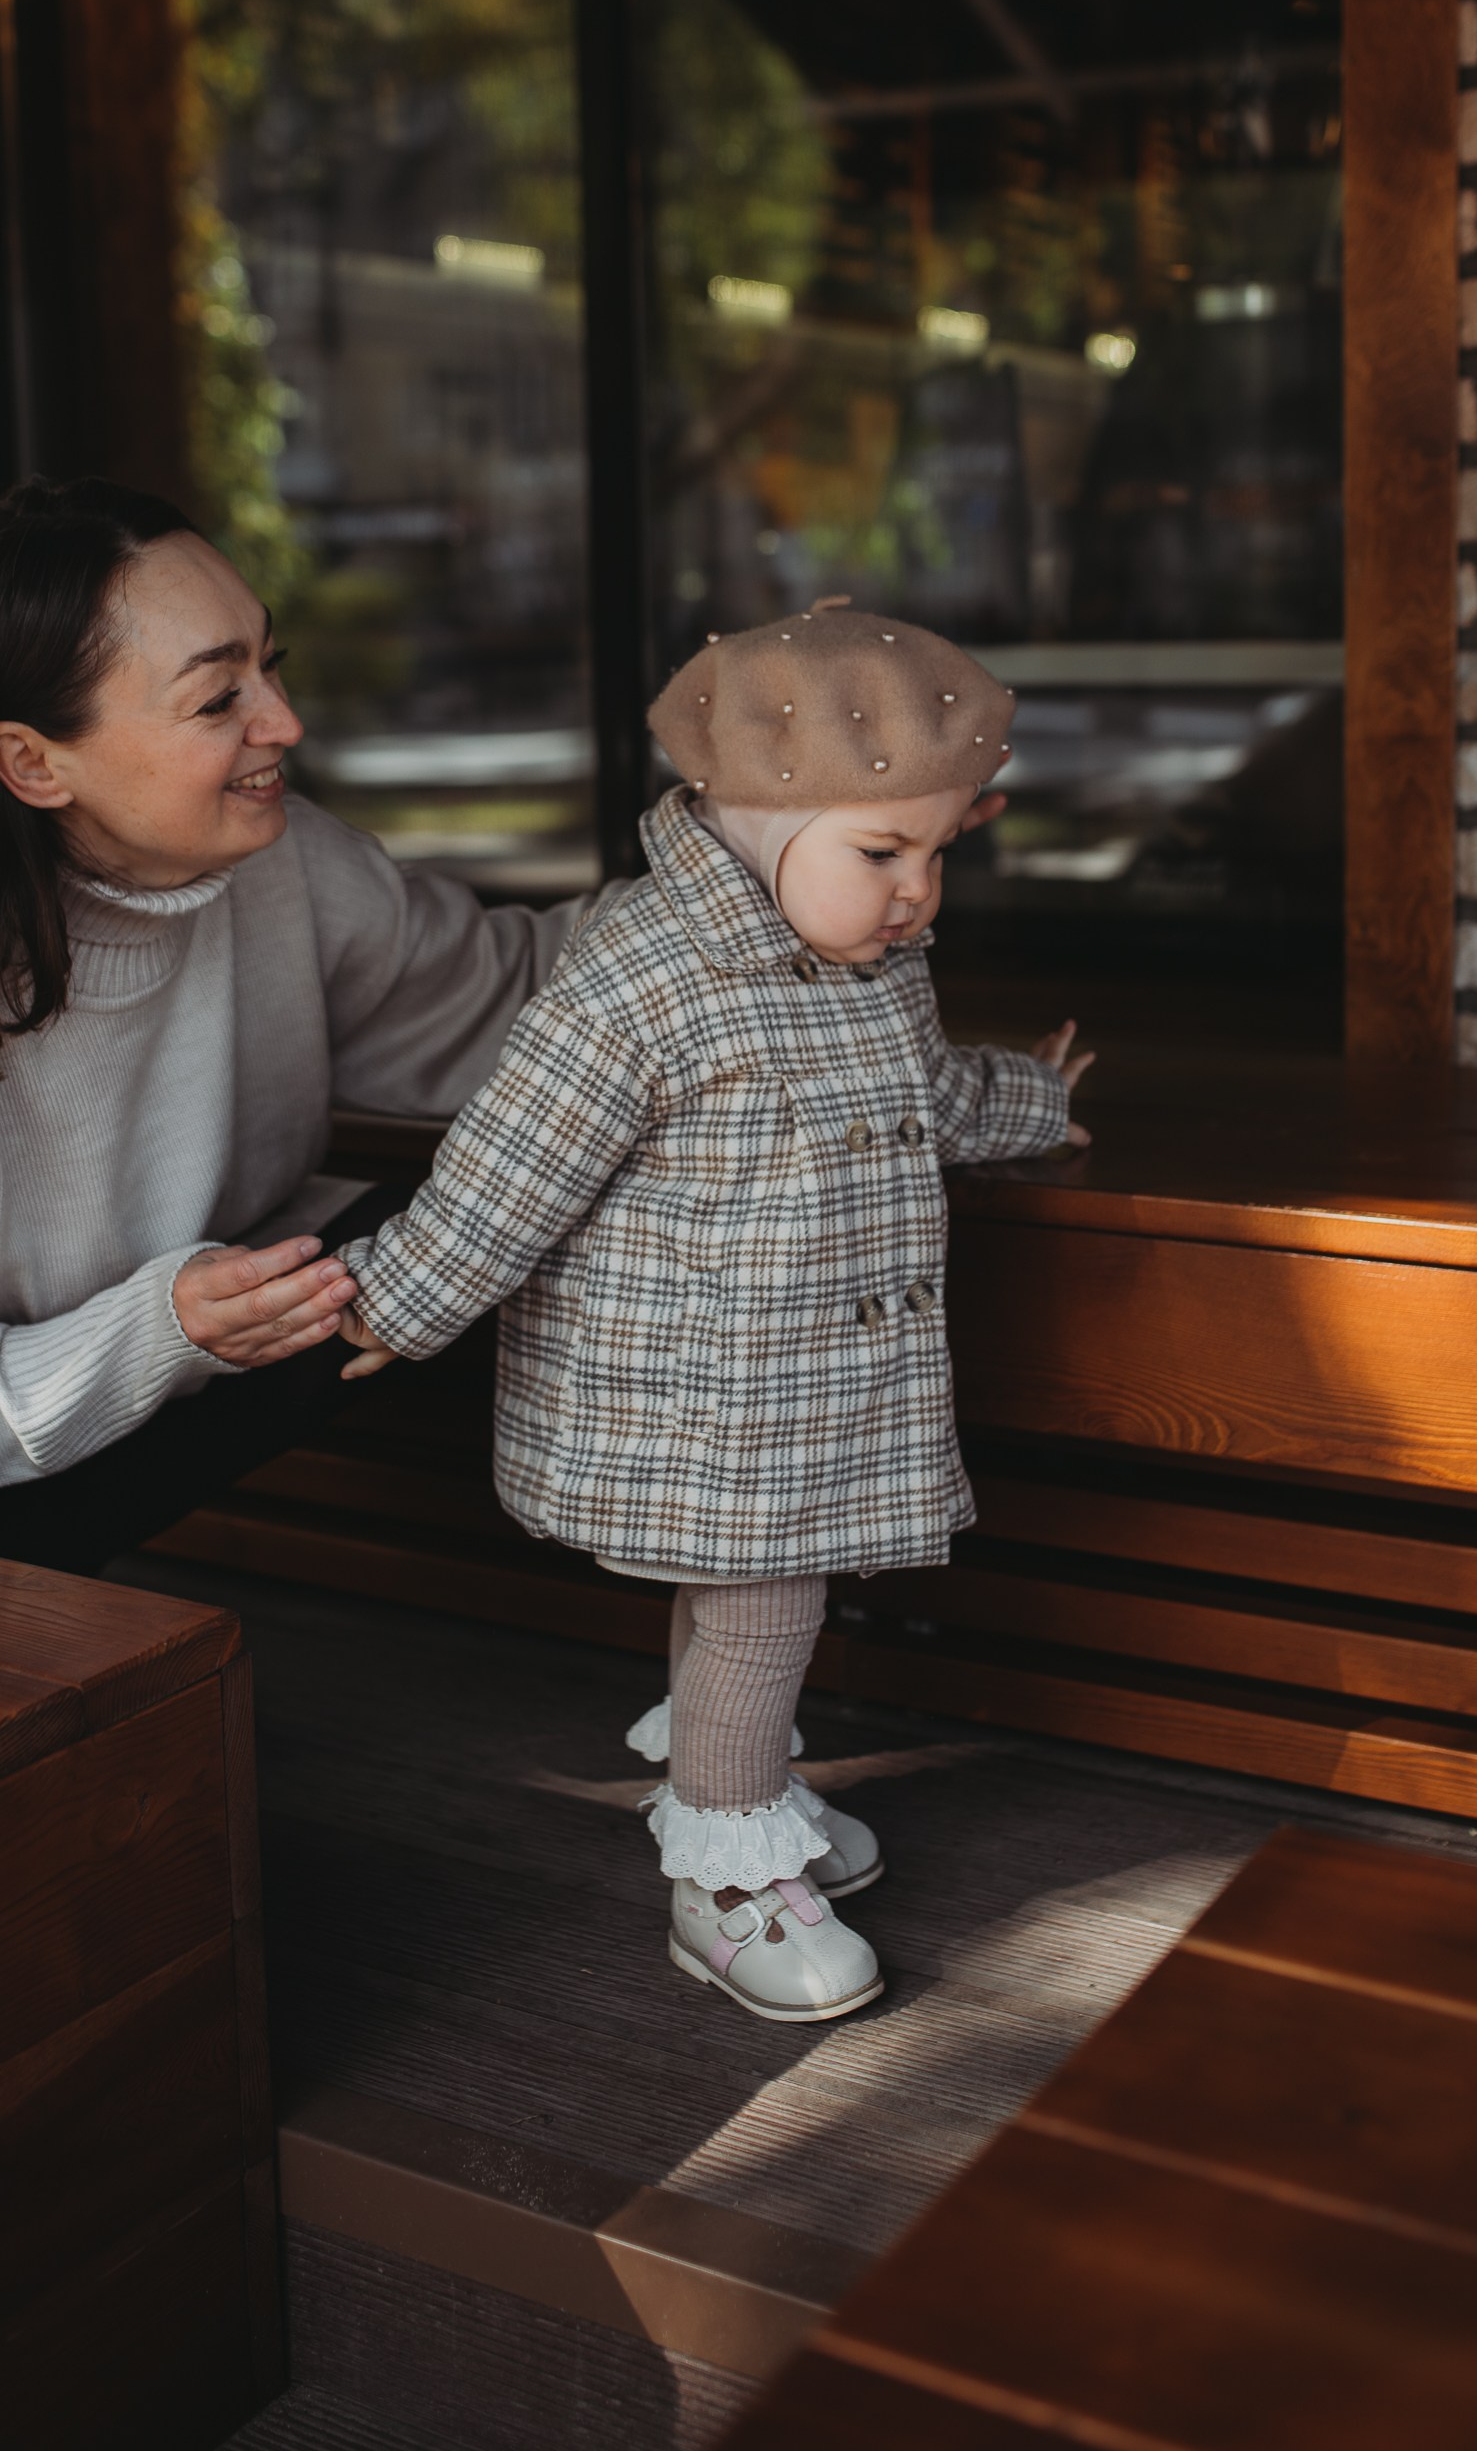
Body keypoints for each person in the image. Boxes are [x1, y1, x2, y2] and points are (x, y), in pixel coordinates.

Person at [332, 600, 1089, 2022]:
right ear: (753, 813)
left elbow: (922, 1099)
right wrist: (398, 1300)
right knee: (761, 1610)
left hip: (805, 1371)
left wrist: (1032, 1100)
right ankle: (725, 1880)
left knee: (746, 1600)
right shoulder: (643, 977)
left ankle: (738, 1798)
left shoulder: (869, 964)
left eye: (937, 854)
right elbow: (512, 1163)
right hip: (701, 1387)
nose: (917, 894)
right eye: (882, 853)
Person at [0, 477, 602, 1570]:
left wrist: (758, 864)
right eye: (215, 700)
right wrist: (157, 1332)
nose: (283, 723)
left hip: (73, 1448)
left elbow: (525, 998)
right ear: (32, 763)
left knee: (404, 1233)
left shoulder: (280, 868)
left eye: (270, 664)